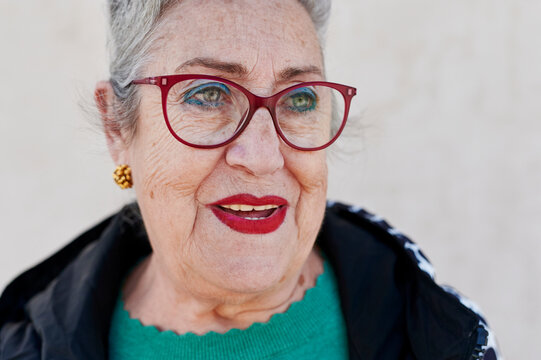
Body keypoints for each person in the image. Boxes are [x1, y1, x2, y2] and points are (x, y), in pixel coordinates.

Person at [0, 0, 501, 359]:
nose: (262, 158)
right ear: (117, 128)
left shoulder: (434, 331)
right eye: (208, 95)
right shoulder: (26, 346)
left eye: (300, 98)